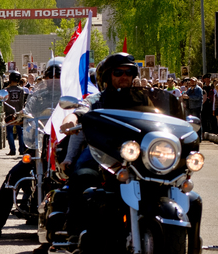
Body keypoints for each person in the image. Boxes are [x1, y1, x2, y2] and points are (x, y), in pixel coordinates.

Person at [50, 53, 153, 242]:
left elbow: (162, 118)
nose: (124, 76)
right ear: (108, 76)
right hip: (102, 151)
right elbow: (81, 111)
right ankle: (75, 230)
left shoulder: (143, 99)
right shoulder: (97, 99)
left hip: (136, 153)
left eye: (129, 72)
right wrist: (71, 119)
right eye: (118, 72)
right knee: (82, 175)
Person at [3, 71, 29, 156]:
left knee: (10, 131)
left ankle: (12, 150)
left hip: (9, 113)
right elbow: (22, 102)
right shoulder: (21, 90)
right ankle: (22, 150)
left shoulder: (6, 90)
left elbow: (4, 101)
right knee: (20, 132)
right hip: (19, 112)